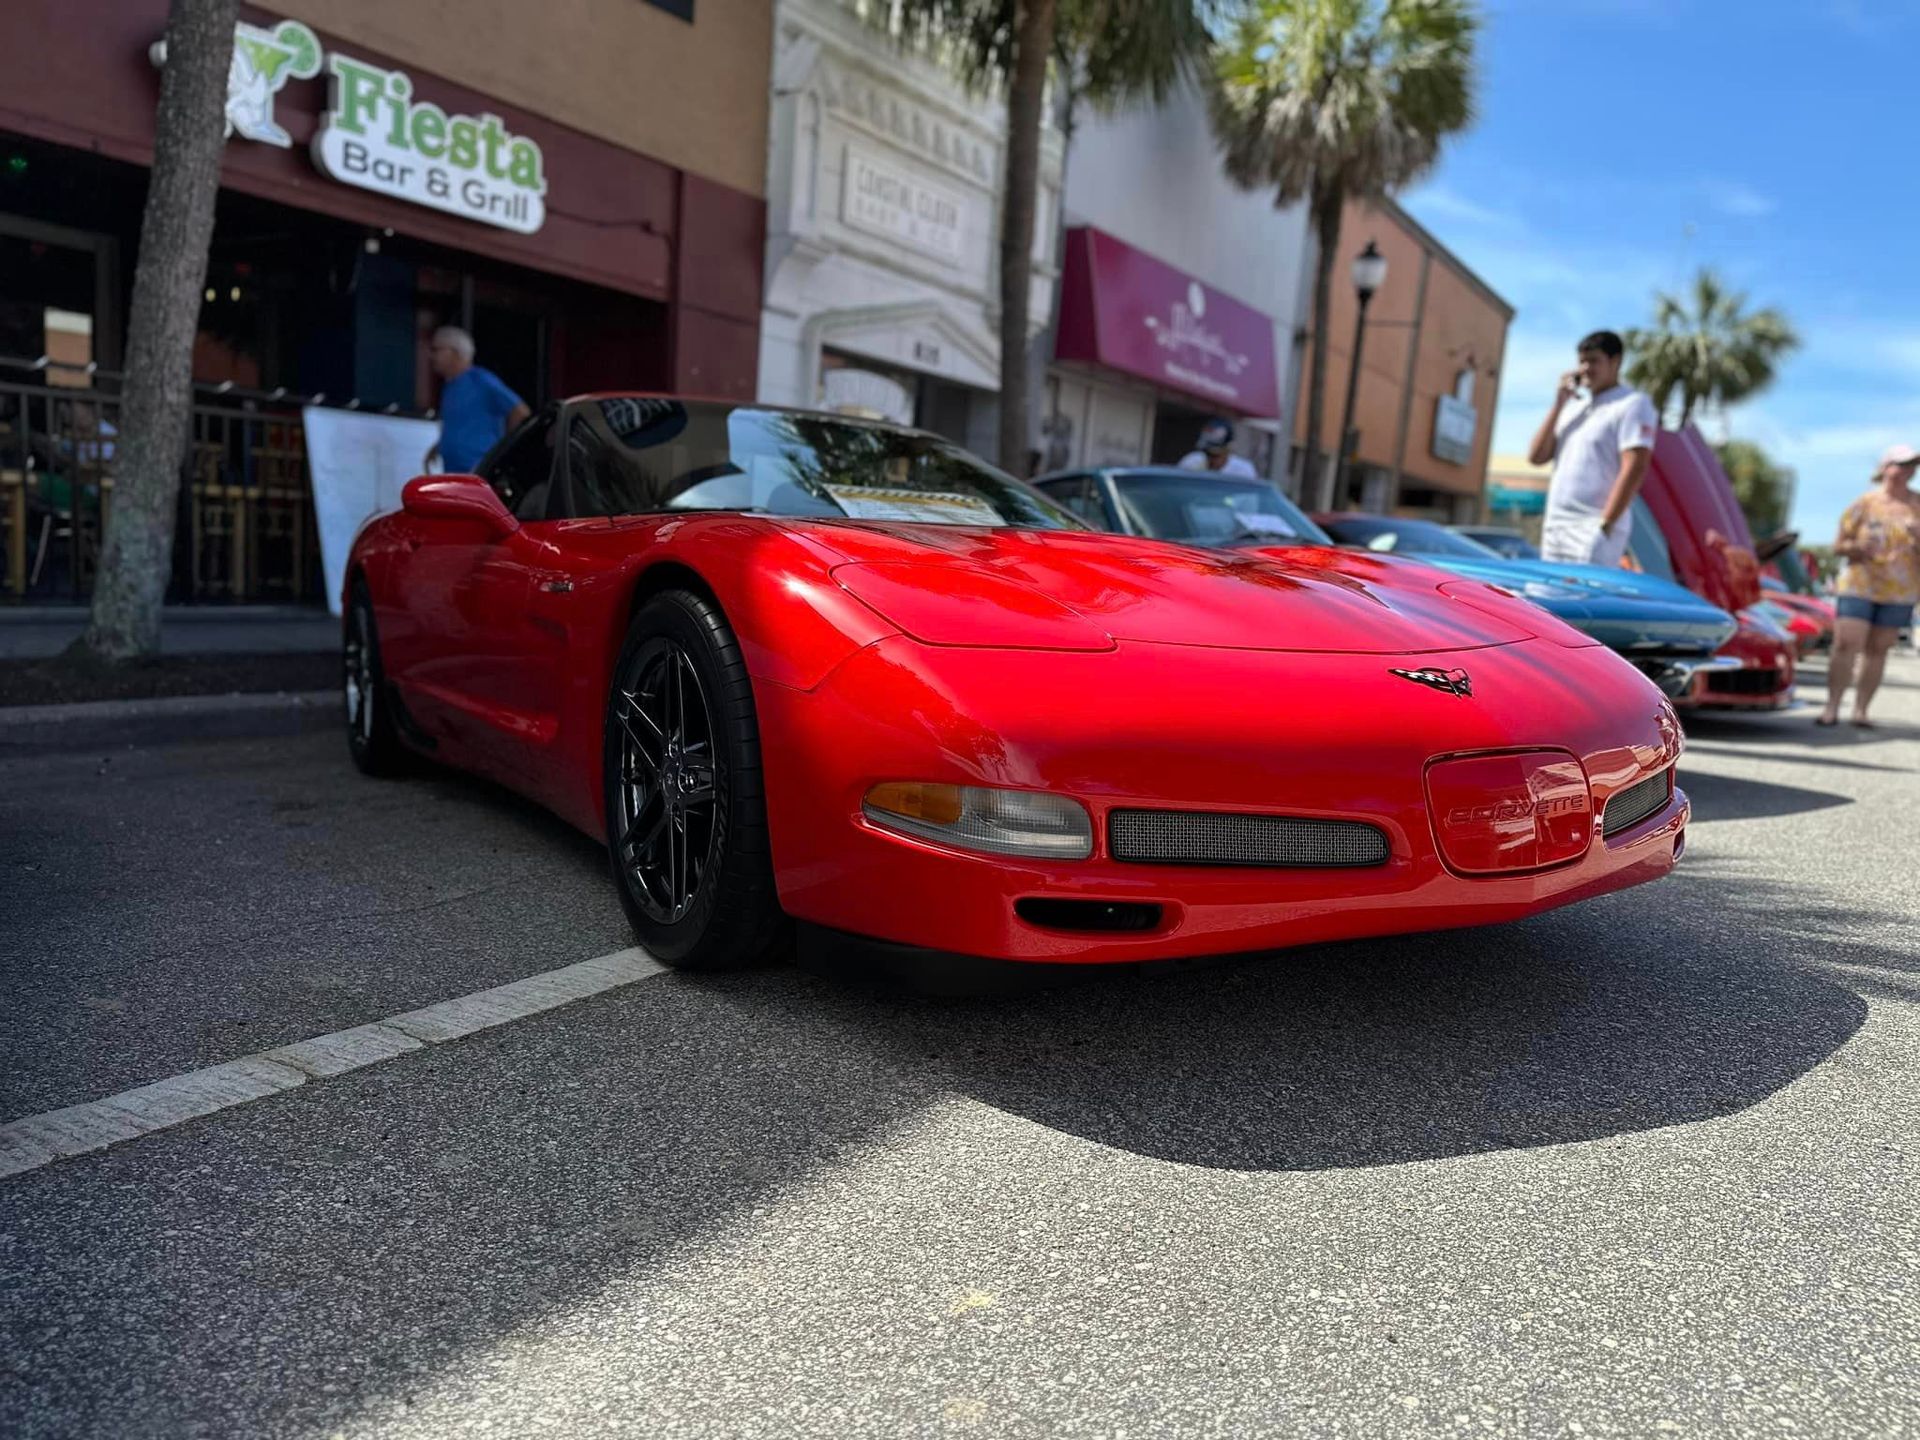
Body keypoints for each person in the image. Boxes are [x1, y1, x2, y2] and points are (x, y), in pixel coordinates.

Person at [1528, 330, 1659, 567]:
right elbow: (1536, 457)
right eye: (1582, 361)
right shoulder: (1573, 407)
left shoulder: (1632, 404)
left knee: (1584, 604)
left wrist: (1605, 525)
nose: (1585, 368)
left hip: (1592, 528)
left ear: (1616, 361)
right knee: (1546, 602)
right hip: (1555, 526)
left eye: (1594, 361)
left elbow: (1636, 465)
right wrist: (1559, 404)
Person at [1817, 444, 1920, 728]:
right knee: (1846, 643)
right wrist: (1858, 547)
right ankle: (1832, 708)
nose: (1906, 470)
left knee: (1879, 649)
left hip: (1900, 590)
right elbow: (1838, 546)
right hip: (1859, 584)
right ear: (1885, 468)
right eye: (1900, 464)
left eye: (1912, 465)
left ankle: (1861, 711)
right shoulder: (1864, 503)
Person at [423, 326, 530, 474]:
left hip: (478, 473)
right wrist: (438, 448)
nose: (431, 355)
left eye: (436, 349)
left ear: (455, 353)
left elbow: (520, 412)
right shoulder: (449, 387)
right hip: (453, 472)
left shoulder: (481, 380)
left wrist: (500, 454)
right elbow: (461, 426)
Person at [1178, 418, 1258, 478]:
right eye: (1207, 454)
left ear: (1228, 450)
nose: (1210, 460)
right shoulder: (1191, 462)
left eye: (1215, 455)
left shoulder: (1243, 470)